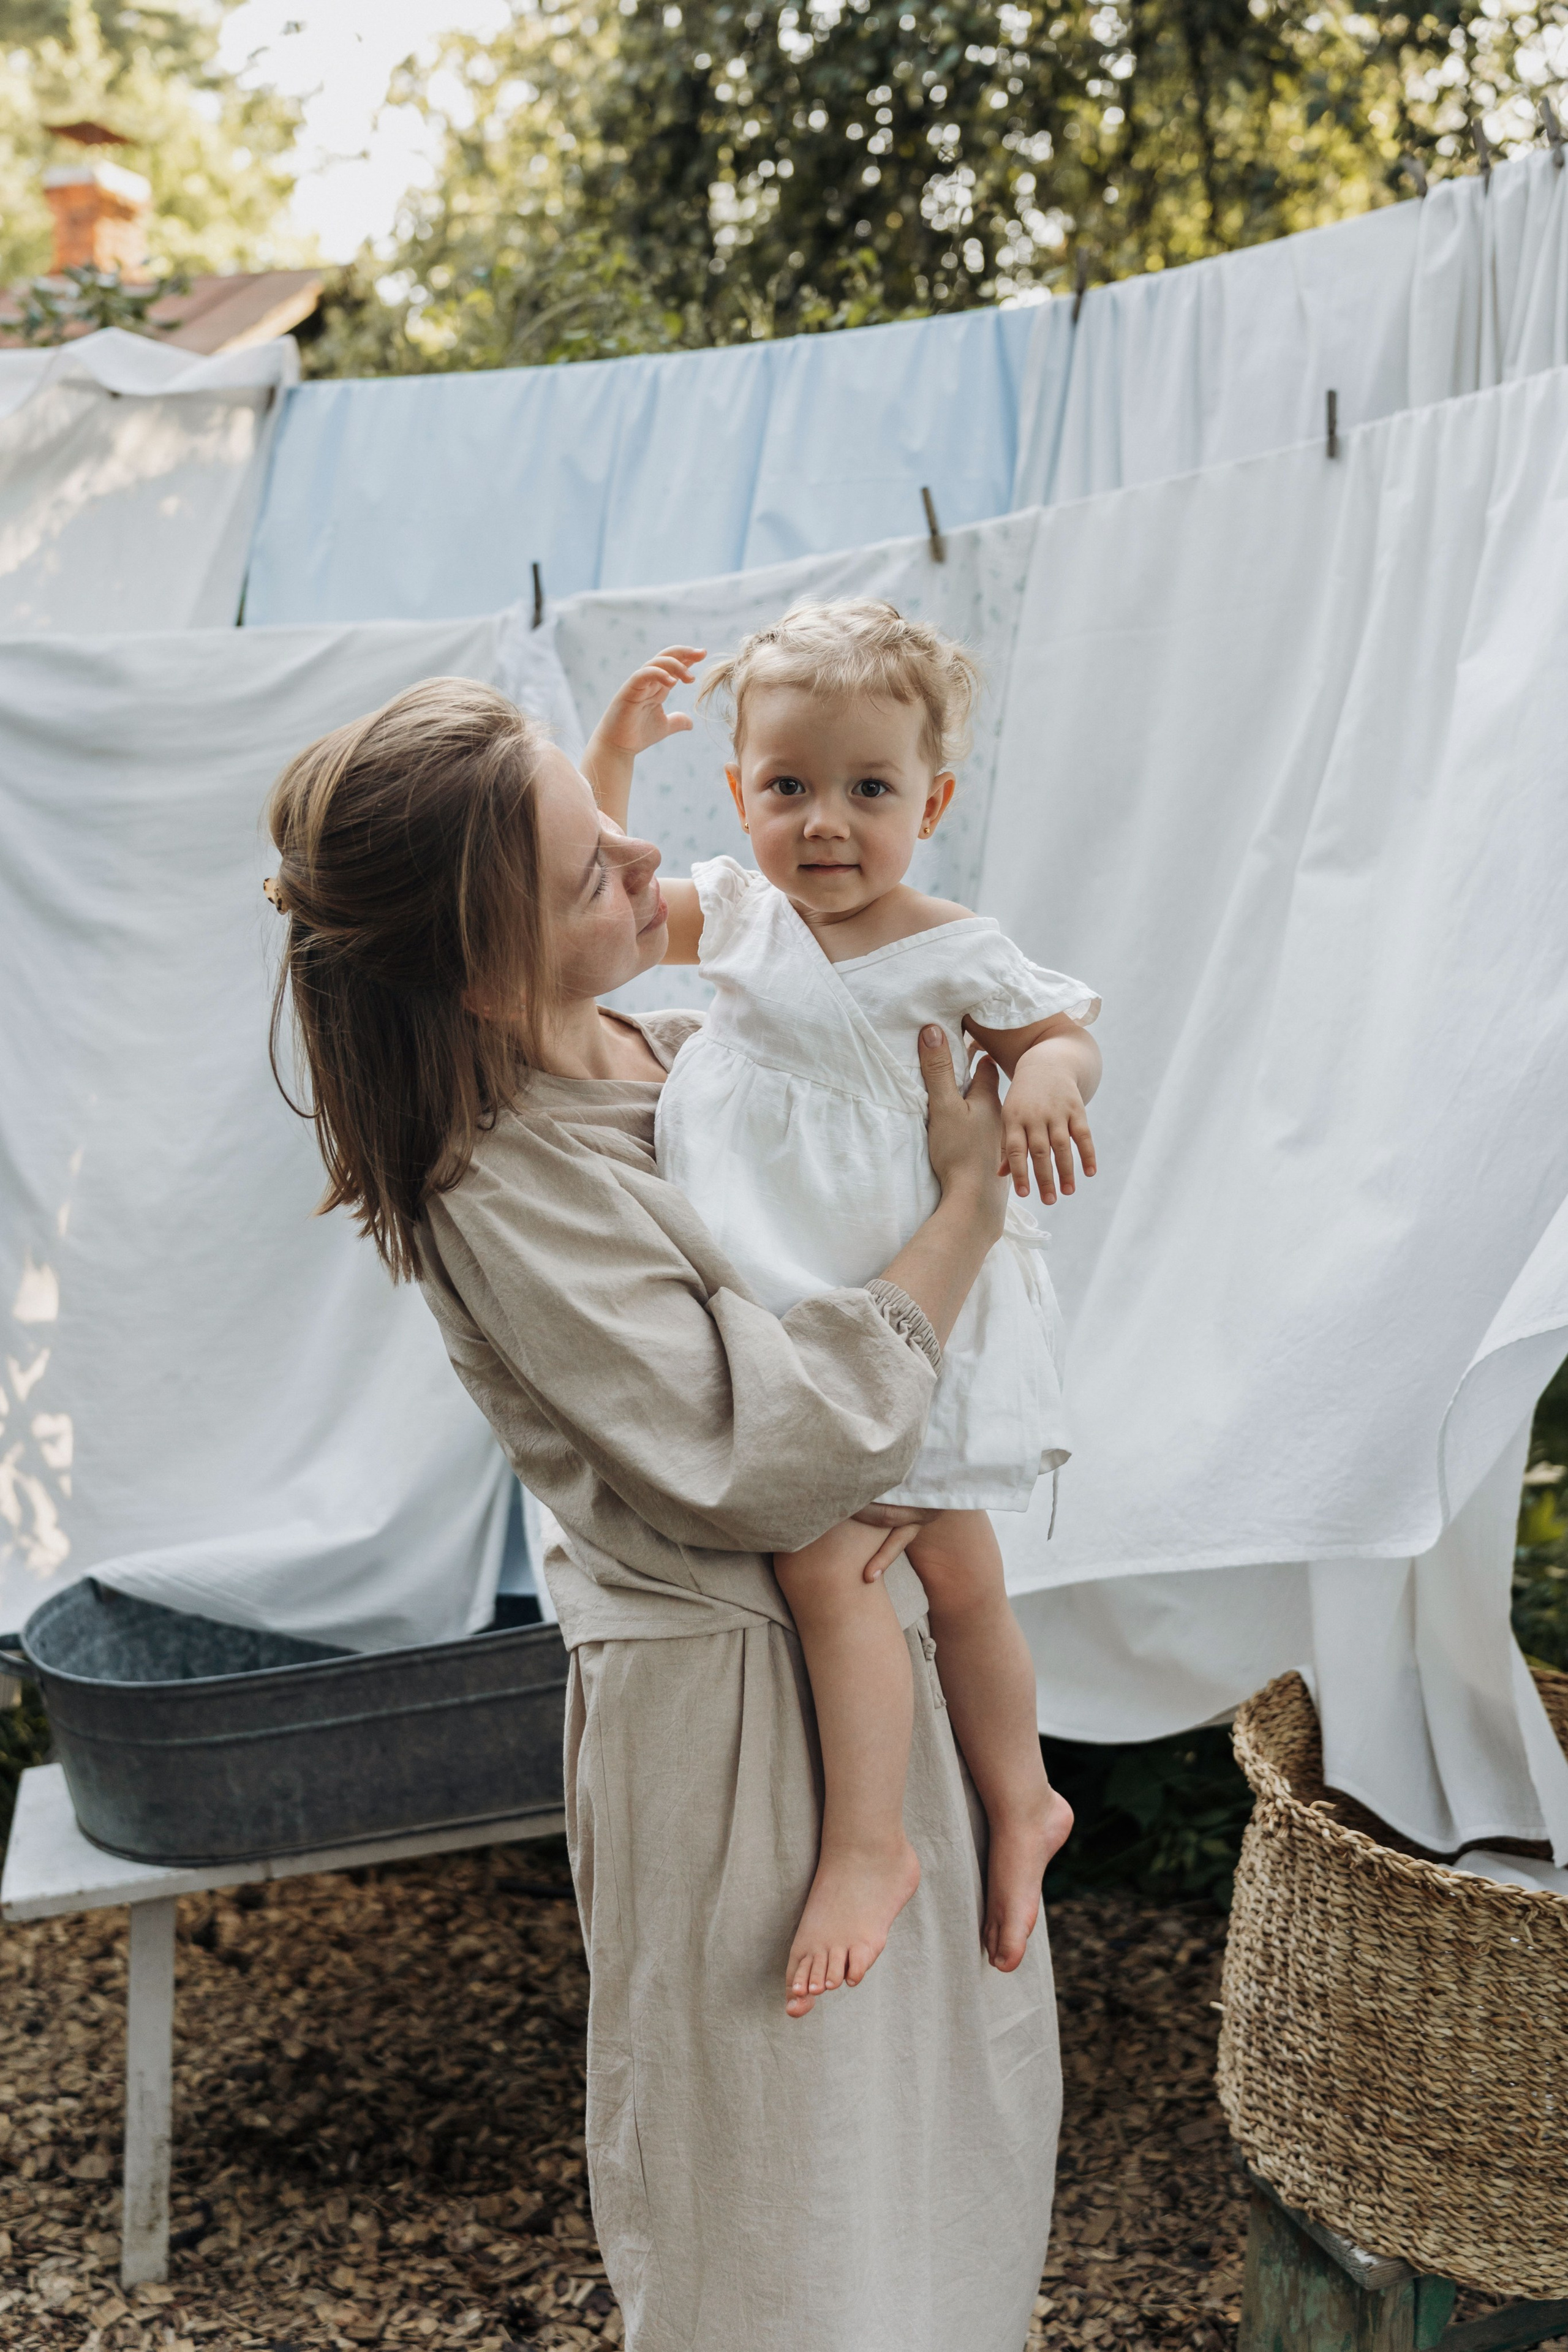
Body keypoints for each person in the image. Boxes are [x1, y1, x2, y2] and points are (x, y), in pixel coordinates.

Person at [263, 671, 1060, 2352]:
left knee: (936, 2160)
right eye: (591, 870)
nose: (651, 863)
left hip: (877, 1654)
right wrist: (964, 1211)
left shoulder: (669, 1046)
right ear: (486, 971)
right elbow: (767, 1457)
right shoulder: (501, 1179)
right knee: (780, 2225)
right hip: (732, 1720)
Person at [579, 605, 1098, 2018]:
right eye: (787, 784)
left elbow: (1056, 1031)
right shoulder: (736, 916)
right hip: (790, 1311)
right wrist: (611, 757)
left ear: (929, 803)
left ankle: (880, 1843)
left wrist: (1047, 1083)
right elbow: (600, 918)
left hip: (902, 1303)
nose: (824, 821)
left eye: (868, 788)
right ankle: (1026, 1801)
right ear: (738, 792)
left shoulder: (950, 947)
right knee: (952, 1568)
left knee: (856, 1572)